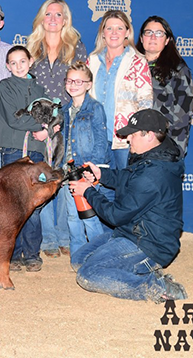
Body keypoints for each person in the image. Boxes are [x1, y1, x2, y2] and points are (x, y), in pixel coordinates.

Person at [68, 109, 187, 303]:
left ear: (149, 135)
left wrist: (88, 191)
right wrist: (101, 175)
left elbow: (115, 216)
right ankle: (137, 270)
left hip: (150, 244)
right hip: (132, 232)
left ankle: (157, 287)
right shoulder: (154, 156)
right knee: (78, 261)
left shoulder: (154, 174)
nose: (128, 139)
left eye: (132, 134)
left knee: (88, 274)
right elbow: (128, 177)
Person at [26, 0, 87, 258]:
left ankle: (64, 235)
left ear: (65, 20)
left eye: (58, 14)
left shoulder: (76, 48)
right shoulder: (31, 48)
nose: (53, 19)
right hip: (39, 123)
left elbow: (83, 82)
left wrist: (64, 118)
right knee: (42, 176)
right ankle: (48, 237)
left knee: (63, 175)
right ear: (41, 18)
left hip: (68, 119)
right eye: (48, 14)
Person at [0, 45, 48, 272]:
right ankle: (13, 253)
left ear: (30, 62)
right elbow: (13, 119)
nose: (18, 66)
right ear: (7, 66)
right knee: (12, 205)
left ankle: (32, 253)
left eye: (22, 61)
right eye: (13, 63)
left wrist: (48, 129)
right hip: (13, 150)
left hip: (36, 150)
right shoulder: (5, 87)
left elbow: (52, 114)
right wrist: (42, 126)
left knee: (34, 205)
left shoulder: (40, 88)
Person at [88, 9, 152, 172]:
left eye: (119, 28)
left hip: (126, 139)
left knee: (127, 183)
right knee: (97, 184)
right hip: (96, 139)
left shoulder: (138, 62)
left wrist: (138, 134)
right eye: (109, 28)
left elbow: (145, 102)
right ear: (103, 33)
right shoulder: (92, 61)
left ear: (127, 33)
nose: (114, 32)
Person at [59, 62, 109, 259]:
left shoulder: (95, 108)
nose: (73, 85)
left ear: (89, 84)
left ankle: (99, 256)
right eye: (70, 81)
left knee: (89, 215)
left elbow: (101, 141)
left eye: (79, 81)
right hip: (69, 171)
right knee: (73, 216)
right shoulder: (64, 110)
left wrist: (92, 169)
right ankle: (78, 256)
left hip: (87, 170)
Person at [136, 16, 193, 158]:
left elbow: (183, 114)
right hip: (132, 141)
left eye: (159, 33)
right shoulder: (130, 65)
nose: (153, 37)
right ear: (142, 38)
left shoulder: (177, 69)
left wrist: (176, 150)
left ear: (167, 40)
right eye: (148, 32)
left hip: (162, 143)